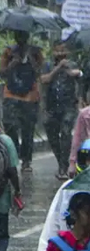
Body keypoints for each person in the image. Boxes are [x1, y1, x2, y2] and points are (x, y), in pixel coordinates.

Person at [0, 30, 44, 171]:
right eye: (18, 35)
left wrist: (32, 62)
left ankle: (26, 161)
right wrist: (13, 63)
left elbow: (40, 72)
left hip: (30, 95)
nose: (21, 39)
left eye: (23, 35)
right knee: (10, 126)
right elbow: (2, 71)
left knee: (28, 130)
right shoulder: (8, 51)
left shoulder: (36, 52)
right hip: (11, 94)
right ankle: (14, 155)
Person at [41, 40, 83, 179]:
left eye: (63, 51)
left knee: (66, 133)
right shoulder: (47, 65)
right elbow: (45, 80)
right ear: (53, 52)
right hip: (51, 106)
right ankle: (61, 162)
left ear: (67, 52)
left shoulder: (73, 64)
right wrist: (58, 67)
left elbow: (77, 76)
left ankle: (65, 166)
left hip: (68, 105)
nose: (60, 54)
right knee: (52, 136)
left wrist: (71, 71)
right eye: (57, 51)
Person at [0, 129, 20, 251]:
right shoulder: (5, 141)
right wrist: (17, 191)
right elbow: (12, 170)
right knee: (2, 236)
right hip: (2, 200)